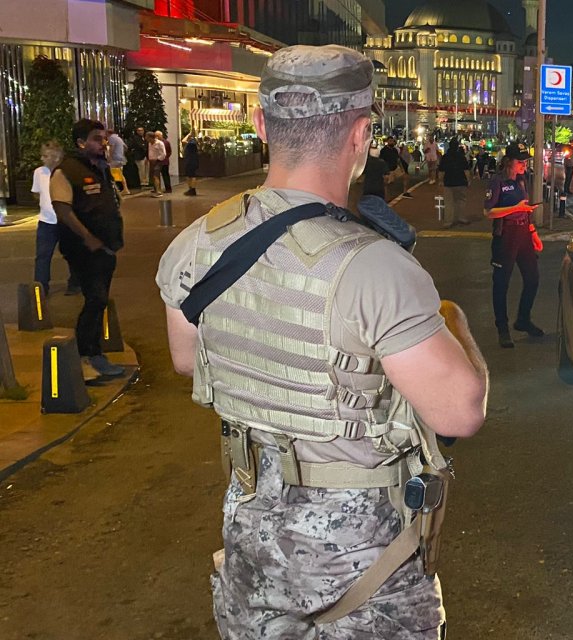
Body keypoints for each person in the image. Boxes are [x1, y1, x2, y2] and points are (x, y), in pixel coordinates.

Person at [156, 44, 488, 638]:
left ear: (262, 125)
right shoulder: (375, 268)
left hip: (253, 551)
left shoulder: (195, 245)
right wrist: (454, 323)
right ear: (360, 135)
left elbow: (188, 360)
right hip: (364, 572)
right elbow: (458, 410)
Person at [49, 119, 125, 377]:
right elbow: (62, 208)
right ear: (81, 143)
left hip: (106, 248)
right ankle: (88, 355)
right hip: (84, 248)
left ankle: (93, 353)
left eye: (103, 138)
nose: (102, 143)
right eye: (96, 138)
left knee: (99, 300)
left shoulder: (100, 167)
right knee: (96, 299)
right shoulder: (66, 171)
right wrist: (87, 237)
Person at [487, 148, 543, 348]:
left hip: (523, 235)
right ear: (509, 162)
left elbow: (525, 209)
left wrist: (533, 231)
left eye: (526, 162)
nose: (524, 165)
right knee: (501, 283)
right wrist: (515, 208)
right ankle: (502, 328)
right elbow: (489, 211)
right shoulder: (498, 181)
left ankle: (523, 319)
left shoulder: (521, 180)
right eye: (521, 162)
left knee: (533, 278)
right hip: (505, 236)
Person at [31, 141, 78, 295]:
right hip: (47, 221)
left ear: (56, 157)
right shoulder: (39, 172)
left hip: (66, 220)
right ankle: (41, 286)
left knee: (72, 254)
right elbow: (36, 192)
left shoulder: (67, 172)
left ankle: (75, 283)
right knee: (43, 255)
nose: (43, 159)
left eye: (46, 156)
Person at [441, 140, 471, 227]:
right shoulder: (461, 157)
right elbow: (466, 170)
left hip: (448, 182)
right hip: (461, 181)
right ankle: (461, 217)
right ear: (457, 146)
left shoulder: (445, 157)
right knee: (461, 200)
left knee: (448, 202)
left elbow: (441, 171)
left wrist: (440, 181)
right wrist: (468, 180)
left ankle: (448, 221)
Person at [106, 129, 129, 194]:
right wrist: (121, 153)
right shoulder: (119, 138)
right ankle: (125, 189)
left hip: (115, 159)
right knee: (120, 173)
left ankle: (115, 189)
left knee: (111, 173)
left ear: (108, 133)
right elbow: (126, 147)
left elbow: (112, 148)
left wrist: (109, 157)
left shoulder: (111, 138)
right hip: (121, 158)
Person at [147, 131, 168, 197]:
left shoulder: (160, 143)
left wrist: (157, 159)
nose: (146, 139)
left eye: (147, 138)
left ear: (151, 137)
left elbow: (163, 154)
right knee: (153, 176)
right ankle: (156, 189)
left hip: (158, 161)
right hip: (151, 161)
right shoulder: (149, 143)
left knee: (156, 175)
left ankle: (158, 191)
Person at [128, 126, 148, 191]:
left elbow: (145, 145)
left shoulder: (144, 138)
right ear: (137, 131)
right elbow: (140, 146)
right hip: (139, 156)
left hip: (145, 156)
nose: (141, 132)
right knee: (141, 170)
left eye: (142, 130)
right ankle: (142, 182)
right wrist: (143, 146)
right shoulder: (135, 138)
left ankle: (146, 182)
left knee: (146, 169)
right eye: (139, 131)